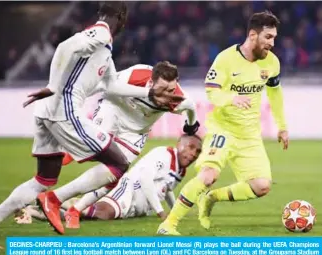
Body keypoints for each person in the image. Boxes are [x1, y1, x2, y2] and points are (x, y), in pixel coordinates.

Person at [0, 2, 183, 248]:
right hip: (64, 110)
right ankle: (54, 200)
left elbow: (111, 86)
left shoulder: (105, 49)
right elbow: (64, 47)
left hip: (48, 112)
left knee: (42, 180)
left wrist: (151, 94)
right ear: (120, 18)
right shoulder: (101, 32)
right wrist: (53, 85)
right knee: (119, 162)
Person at [157, 11, 289, 236]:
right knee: (209, 175)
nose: (272, 43)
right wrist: (232, 99)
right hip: (223, 129)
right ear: (252, 35)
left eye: (274, 37)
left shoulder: (272, 63)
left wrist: (282, 126)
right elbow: (211, 92)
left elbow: (275, 92)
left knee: (262, 186)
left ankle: (211, 198)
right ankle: (168, 225)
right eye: (268, 37)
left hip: (249, 135)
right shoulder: (226, 59)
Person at [58, 61, 199, 229]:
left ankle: (74, 210)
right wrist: (77, 96)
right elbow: (107, 86)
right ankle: (73, 150)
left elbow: (191, 109)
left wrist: (190, 126)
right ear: (151, 82)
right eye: (162, 89)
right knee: (97, 144)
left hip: (135, 133)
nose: (167, 95)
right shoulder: (136, 74)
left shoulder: (178, 99)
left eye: (170, 90)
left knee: (114, 174)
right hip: (114, 109)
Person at [15, 135, 202, 224]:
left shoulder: (181, 170)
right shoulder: (164, 154)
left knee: (94, 217)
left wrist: (175, 210)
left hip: (138, 206)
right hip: (129, 189)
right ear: (180, 145)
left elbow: (166, 188)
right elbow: (145, 180)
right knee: (101, 213)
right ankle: (40, 200)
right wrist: (162, 214)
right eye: (191, 147)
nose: (193, 153)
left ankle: (37, 211)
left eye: (198, 151)